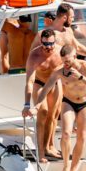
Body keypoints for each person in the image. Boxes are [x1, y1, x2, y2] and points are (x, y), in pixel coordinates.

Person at [31, 44, 86, 171]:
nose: (66, 64)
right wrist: (37, 105)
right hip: (68, 102)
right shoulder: (59, 71)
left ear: (75, 56)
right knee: (66, 133)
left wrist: (80, 77)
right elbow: (46, 88)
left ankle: (74, 170)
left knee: (82, 137)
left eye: (68, 61)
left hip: (85, 103)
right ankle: (66, 167)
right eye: (63, 61)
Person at [23, 29, 63, 162]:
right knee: (43, 113)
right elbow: (29, 81)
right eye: (46, 44)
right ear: (41, 42)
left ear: (55, 41)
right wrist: (27, 104)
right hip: (39, 84)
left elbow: (71, 64)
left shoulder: (60, 51)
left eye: (51, 43)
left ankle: (49, 146)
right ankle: (41, 152)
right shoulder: (34, 56)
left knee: (54, 116)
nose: (49, 47)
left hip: (55, 84)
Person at [32, 3, 86, 67]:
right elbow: (32, 56)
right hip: (51, 74)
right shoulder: (43, 34)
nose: (73, 20)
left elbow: (77, 47)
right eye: (72, 17)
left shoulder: (68, 30)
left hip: (66, 72)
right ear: (64, 18)